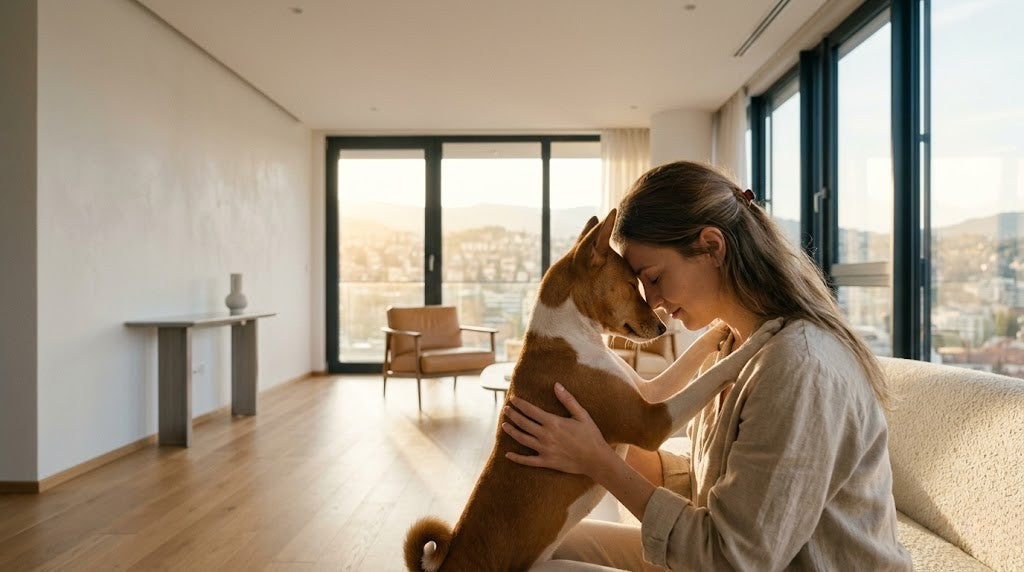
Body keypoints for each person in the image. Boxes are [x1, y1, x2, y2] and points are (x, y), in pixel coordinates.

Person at [501, 161, 912, 571]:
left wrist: (598, 462)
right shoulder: (730, 344)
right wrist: (599, 437)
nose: (651, 303)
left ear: (712, 247)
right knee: (527, 549)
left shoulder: (799, 368)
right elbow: (714, 484)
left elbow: (732, 560)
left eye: (654, 279)